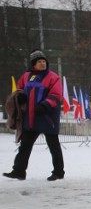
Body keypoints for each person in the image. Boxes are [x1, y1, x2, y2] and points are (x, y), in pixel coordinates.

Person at [3, 49, 64, 181]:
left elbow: (56, 95)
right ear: (33, 64)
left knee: (53, 146)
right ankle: (18, 171)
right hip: (31, 118)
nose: (42, 64)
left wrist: (45, 105)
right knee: (25, 145)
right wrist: (19, 98)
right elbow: (19, 89)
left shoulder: (53, 77)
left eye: (44, 61)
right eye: (39, 62)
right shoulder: (26, 76)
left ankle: (58, 172)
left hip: (47, 117)